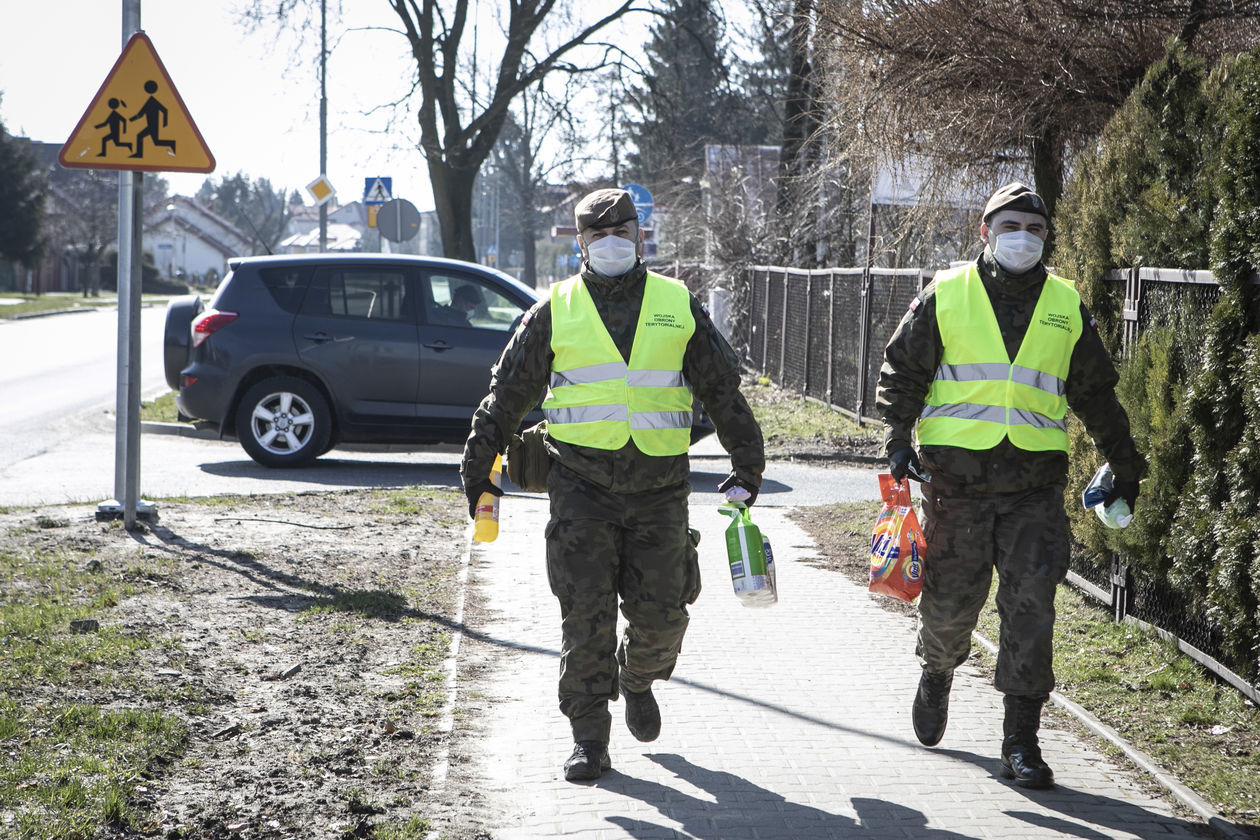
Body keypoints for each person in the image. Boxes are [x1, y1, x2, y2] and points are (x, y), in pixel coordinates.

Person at [459, 188, 765, 782]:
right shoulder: (556, 309)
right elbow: (508, 394)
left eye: (620, 233)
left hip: (660, 489)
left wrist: (747, 464)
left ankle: (639, 675)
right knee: (585, 617)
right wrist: (478, 467)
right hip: (580, 487)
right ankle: (589, 740)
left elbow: (722, 390)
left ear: (640, 236)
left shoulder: (677, 305)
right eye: (598, 237)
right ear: (580, 244)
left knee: (663, 618)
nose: (611, 244)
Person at [876, 182, 1145, 789]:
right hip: (956, 485)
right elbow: (902, 370)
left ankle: (1020, 742)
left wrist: (1124, 462)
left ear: (1047, 238)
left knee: (1030, 612)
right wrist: (897, 440)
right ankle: (938, 671)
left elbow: (1096, 393)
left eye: (1035, 228)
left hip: (1032, 490)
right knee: (950, 607)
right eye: (1011, 226)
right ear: (986, 232)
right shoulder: (947, 295)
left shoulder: (1065, 305)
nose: (1023, 238)